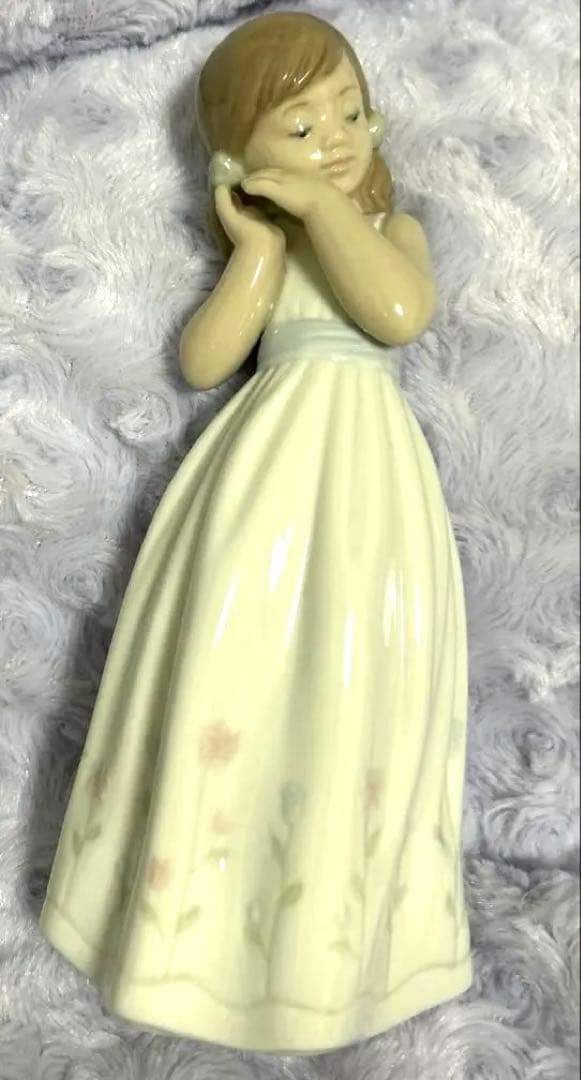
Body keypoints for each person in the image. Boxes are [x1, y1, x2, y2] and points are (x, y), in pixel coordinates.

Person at [40, 11, 472, 1054]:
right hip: (263, 475)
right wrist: (256, 248)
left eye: (349, 112)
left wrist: (323, 205)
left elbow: (398, 314)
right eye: (301, 127)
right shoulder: (272, 252)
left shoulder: (390, 233)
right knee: (229, 660)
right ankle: (187, 936)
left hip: (369, 487)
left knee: (353, 680)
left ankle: (331, 954)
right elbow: (203, 361)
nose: (337, 138)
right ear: (240, 154)